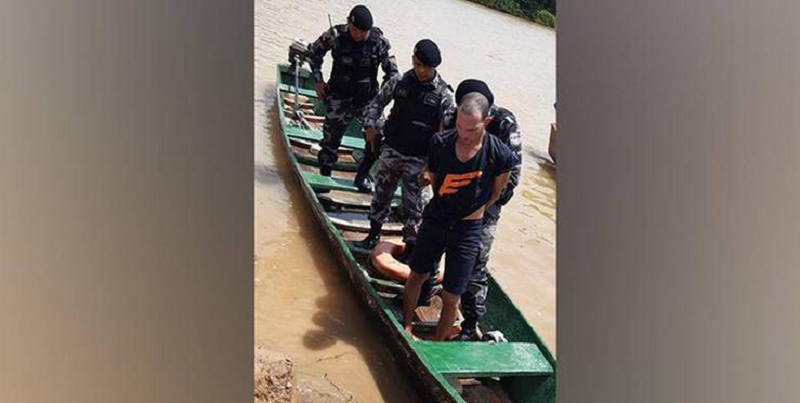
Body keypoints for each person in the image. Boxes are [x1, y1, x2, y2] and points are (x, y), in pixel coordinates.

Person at [402, 92, 516, 341]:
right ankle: (407, 326)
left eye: (471, 130)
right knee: (417, 275)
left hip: (467, 230)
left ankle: (437, 344)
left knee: (452, 295)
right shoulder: (440, 143)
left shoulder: (500, 154)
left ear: (485, 123)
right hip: (436, 219)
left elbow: (497, 192)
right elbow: (433, 177)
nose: (463, 134)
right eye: (460, 126)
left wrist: (473, 211)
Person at [352, 39, 454, 258]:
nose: (422, 71)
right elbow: (377, 102)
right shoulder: (399, 82)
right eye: (418, 64)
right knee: (381, 196)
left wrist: (433, 167)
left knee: (415, 207)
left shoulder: (443, 95)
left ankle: (410, 250)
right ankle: (372, 236)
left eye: (427, 67)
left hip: (419, 159)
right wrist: (370, 125)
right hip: (392, 149)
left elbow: (447, 135)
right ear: (413, 59)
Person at [443, 80, 524, 341]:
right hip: (450, 200)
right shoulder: (453, 116)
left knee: (476, 264)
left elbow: (512, 176)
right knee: (432, 246)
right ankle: (424, 293)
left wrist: (481, 206)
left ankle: (469, 325)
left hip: (484, 208)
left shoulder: (504, 124)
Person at [306, 4, 398, 178]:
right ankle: (324, 176)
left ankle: (363, 177)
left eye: (363, 32)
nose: (358, 35)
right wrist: (318, 81)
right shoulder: (335, 35)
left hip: (367, 101)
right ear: (349, 23)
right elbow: (314, 53)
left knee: (376, 139)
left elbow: (392, 74)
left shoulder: (379, 43)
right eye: (355, 30)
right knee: (330, 142)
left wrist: (381, 100)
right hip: (338, 98)